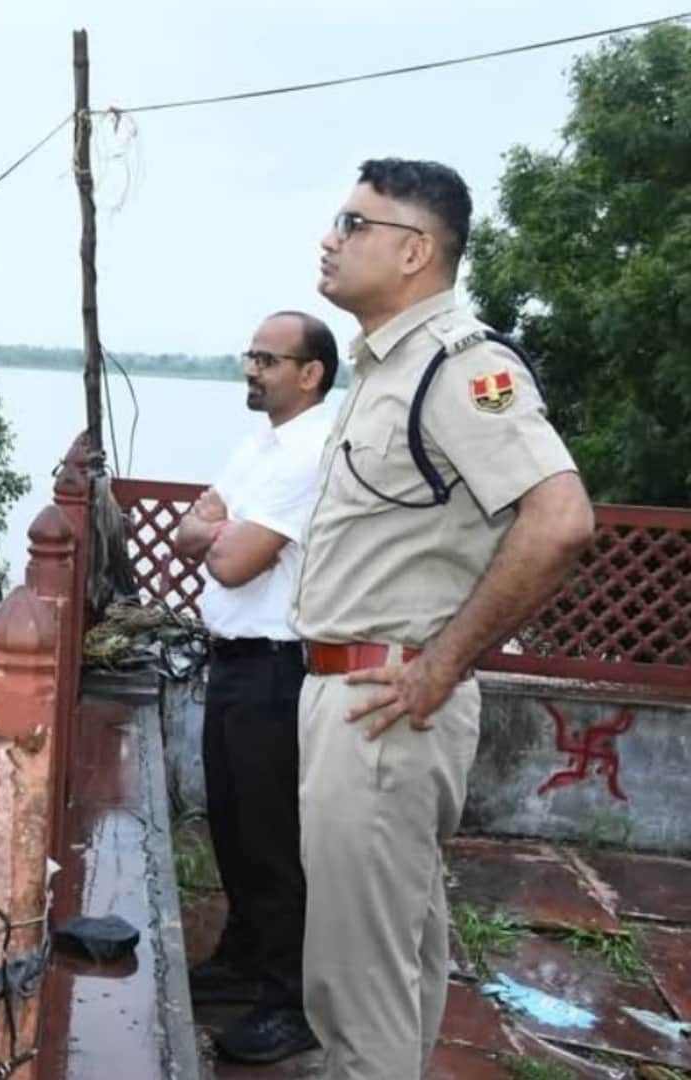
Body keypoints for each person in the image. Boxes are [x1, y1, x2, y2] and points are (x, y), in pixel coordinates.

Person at [292, 158, 595, 1079]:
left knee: (357, 985)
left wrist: (441, 665)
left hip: (384, 702)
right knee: (397, 962)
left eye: (352, 223)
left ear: (415, 250)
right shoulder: (386, 369)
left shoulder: (464, 368)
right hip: (359, 695)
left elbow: (560, 519)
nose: (330, 239)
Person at [174, 311, 336, 1063]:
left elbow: (234, 561)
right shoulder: (261, 444)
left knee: (273, 837)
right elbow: (191, 532)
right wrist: (219, 528)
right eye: (249, 356)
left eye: (269, 360)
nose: (252, 369)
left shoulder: (312, 451)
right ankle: (244, 956)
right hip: (233, 657)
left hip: (279, 664)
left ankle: (291, 997)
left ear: (312, 373)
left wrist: (222, 531)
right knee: (232, 822)